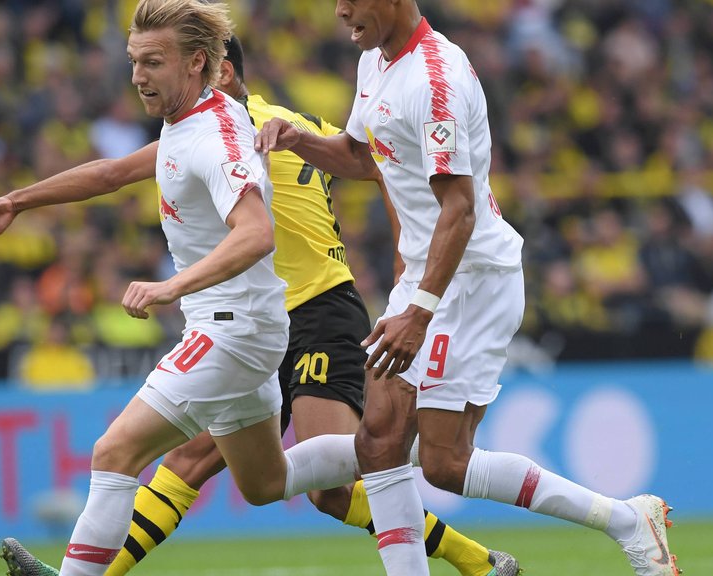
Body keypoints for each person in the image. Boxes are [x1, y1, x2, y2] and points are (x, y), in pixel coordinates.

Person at [0, 3, 517, 576]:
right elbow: (112, 172)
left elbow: (374, 170)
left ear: (213, 68)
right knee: (219, 470)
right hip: (264, 314)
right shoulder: (214, 126)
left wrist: (406, 272)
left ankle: (468, 542)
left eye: (155, 63)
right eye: (138, 62)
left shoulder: (240, 131)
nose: (141, 78)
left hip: (313, 309)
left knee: (331, 485)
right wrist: (16, 200)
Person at [255, 1, 681, 575]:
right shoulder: (375, 60)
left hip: (471, 279)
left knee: (446, 464)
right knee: (378, 442)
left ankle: (626, 520)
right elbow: (359, 156)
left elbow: (459, 209)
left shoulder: (437, 81)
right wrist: (297, 139)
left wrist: (419, 312)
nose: (340, 10)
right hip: (427, 273)